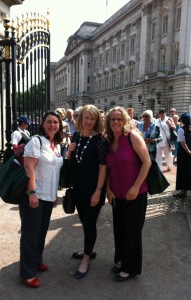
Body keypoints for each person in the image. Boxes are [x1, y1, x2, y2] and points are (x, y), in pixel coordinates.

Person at [105, 106, 151, 282]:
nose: (116, 122)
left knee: (132, 230)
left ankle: (130, 268)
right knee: (120, 229)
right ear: (109, 122)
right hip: (117, 194)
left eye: (119, 119)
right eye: (113, 119)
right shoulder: (109, 141)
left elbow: (146, 162)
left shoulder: (132, 137)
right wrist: (108, 189)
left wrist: (136, 187)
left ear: (124, 121)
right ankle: (122, 260)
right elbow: (108, 169)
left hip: (135, 193)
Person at [19, 111, 63, 288]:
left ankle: (37, 261)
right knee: (30, 235)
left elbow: (55, 171)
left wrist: (54, 195)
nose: (52, 125)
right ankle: (27, 273)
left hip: (48, 196)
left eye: (56, 122)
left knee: (41, 232)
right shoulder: (35, 141)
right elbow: (29, 168)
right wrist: (32, 193)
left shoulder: (56, 145)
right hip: (35, 195)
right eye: (49, 122)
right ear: (43, 124)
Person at [67, 104, 107, 279]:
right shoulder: (76, 135)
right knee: (85, 222)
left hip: (93, 189)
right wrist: (69, 151)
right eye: (86, 118)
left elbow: (103, 168)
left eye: (93, 118)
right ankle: (88, 250)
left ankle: (86, 259)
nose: (89, 121)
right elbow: (71, 161)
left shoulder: (100, 141)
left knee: (89, 223)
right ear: (80, 118)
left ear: (96, 120)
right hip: (78, 188)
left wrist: (98, 191)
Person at [173, 113, 191, 198]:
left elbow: (182, 143)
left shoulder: (181, 129)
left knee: (182, 171)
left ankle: (183, 191)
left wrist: (188, 152)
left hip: (184, 154)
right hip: (189, 153)